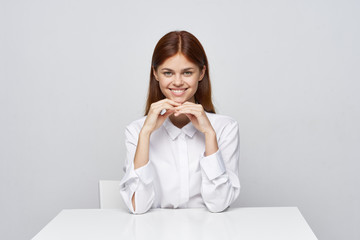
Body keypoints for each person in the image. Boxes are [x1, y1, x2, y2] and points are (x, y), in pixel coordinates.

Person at [119, 30, 240, 214]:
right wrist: (145, 134)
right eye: (168, 73)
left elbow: (219, 204)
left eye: (187, 72)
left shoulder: (225, 128)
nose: (177, 82)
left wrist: (209, 135)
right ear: (156, 74)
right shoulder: (136, 130)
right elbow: (138, 207)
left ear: (201, 73)